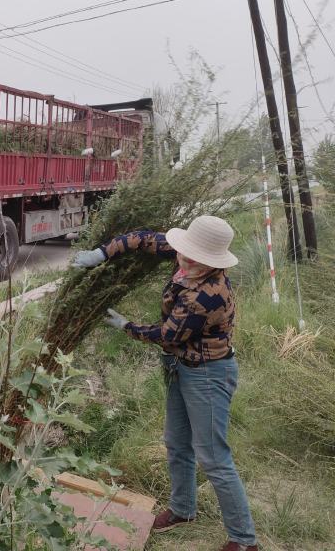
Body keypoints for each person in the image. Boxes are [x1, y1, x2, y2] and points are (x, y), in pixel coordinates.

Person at [72, 216, 258, 551]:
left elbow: (167, 335)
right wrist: (102, 253)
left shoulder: (208, 296)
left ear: (212, 261)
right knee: (176, 442)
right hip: (180, 367)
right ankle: (183, 509)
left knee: (213, 456)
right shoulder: (187, 255)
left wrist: (126, 325)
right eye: (183, 253)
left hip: (208, 373)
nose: (182, 260)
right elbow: (141, 238)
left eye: (191, 258)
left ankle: (244, 539)